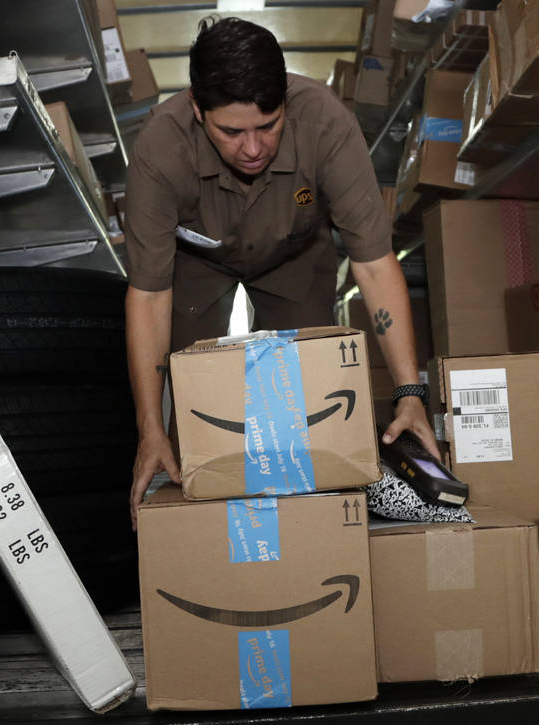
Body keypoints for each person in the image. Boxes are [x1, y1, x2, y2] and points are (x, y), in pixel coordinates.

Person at [124, 17, 440, 528]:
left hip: (295, 254)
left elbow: (375, 265)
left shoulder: (328, 126)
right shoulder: (160, 151)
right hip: (196, 267)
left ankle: (307, 532)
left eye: (267, 126)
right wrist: (149, 430)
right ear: (198, 111)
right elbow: (149, 296)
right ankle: (200, 528)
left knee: (309, 403)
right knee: (189, 417)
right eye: (231, 132)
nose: (253, 148)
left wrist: (411, 393)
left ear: (286, 102)